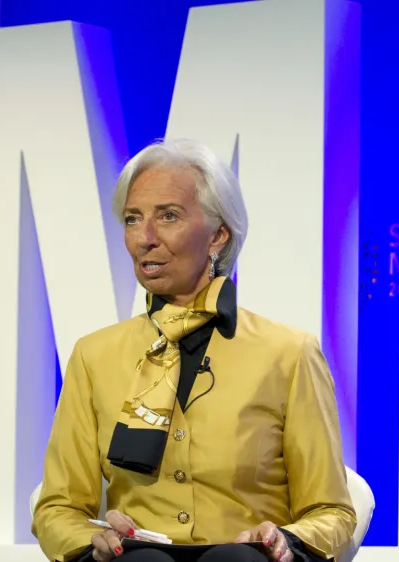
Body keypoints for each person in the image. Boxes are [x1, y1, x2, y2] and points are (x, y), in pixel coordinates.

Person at [32, 138, 355, 562]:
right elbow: (58, 509)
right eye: (132, 219)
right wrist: (93, 543)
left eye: (168, 216)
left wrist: (284, 540)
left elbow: (330, 511)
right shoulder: (94, 356)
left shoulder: (289, 353)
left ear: (218, 234)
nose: (145, 238)